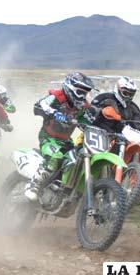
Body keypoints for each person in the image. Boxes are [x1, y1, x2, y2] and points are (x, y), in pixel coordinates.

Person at [86, 76, 140, 204]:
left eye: (131, 94)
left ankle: (136, 191)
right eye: (126, 93)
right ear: (118, 89)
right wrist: (102, 110)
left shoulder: (133, 107)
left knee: (136, 154)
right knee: (81, 153)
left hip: (119, 139)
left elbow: (139, 125)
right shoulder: (104, 98)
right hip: (96, 134)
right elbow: (89, 113)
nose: (128, 96)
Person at [24, 72, 95, 201]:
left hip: (66, 141)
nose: (83, 96)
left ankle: (63, 190)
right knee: (53, 158)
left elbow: (88, 121)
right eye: (80, 92)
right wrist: (54, 113)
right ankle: (34, 185)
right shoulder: (56, 97)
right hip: (48, 137)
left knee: (75, 161)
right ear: (70, 88)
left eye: (85, 93)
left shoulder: (83, 106)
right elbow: (38, 106)